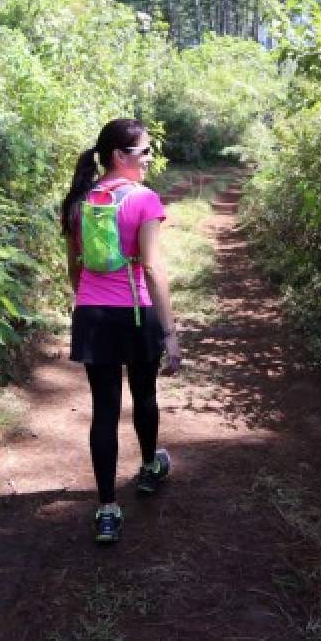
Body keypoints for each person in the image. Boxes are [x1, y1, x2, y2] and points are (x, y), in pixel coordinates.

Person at [62, 118, 183, 544]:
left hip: (92, 314)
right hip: (135, 312)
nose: (150, 158)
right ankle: (150, 467)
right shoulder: (144, 199)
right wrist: (169, 332)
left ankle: (108, 509)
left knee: (105, 409)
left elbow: (74, 269)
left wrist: (91, 302)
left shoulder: (78, 200)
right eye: (144, 151)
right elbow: (152, 267)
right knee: (144, 394)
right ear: (119, 155)